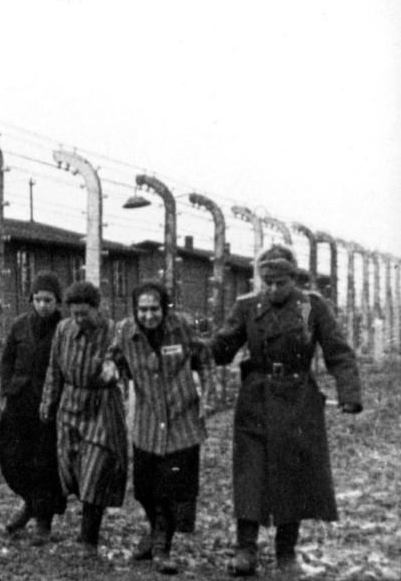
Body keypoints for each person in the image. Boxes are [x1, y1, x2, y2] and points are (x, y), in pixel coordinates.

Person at [209, 244, 363, 577]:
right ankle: (245, 549)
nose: (274, 289)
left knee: (293, 475)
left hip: (298, 401)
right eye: (267, 282)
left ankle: (286, 552)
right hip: (256, 399)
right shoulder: (248, 307)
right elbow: (222, 348)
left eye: (280, 282)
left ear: (293, 279)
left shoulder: (309, 306)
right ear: (260, 280)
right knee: (250, 473)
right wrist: (206, 345)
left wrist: (349, 392)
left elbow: (337, 351)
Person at [107, 281, 207, 575]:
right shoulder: (126, 331)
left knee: (171, 488)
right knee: (144, 488)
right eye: (143, 310)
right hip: (148, 419)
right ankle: (155, 533)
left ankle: (162, 547)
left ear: (164, 309)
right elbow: (114, 355)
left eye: (154, 309)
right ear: (135, 311)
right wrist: (111, 367)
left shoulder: (182, 328)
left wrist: (208, 398)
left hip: (180, 418)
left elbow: (206, 359)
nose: (149, 315)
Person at [39, 281, 127, 559]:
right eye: (74, 313)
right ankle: (82, 526)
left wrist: (114, 371)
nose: (78, 319)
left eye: (84, 313)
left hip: (101, 406)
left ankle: (88, 538)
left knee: (96, 469)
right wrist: (48, 402)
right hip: (70, 406)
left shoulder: (113, 331)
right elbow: (55, 369)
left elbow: (122, 364)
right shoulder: (63, 330)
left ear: (96, 309)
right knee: (70, 468)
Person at [0, 271, 67, 544]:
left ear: (57, 301)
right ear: (31, 299)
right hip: (19, 402)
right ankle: (28, 504)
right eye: (38, 299)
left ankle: (43, 522)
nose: (43, 305)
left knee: (45, 464)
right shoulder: (19, 325)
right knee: (13, 457)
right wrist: (7, 388)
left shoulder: (64, 327)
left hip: (49, 405)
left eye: (48, 300)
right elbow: (6, 360)